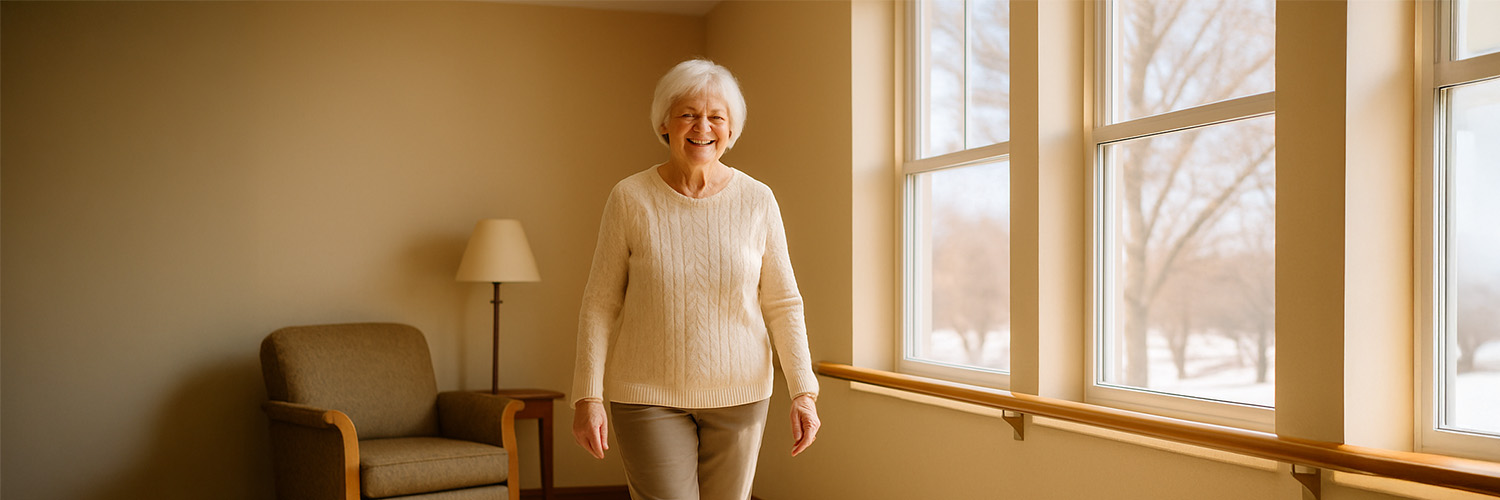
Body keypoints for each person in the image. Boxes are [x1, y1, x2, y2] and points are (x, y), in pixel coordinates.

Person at [569, 58, 821, 500]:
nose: (702, 127)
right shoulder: (630, 198)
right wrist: (587, 396)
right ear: (664, 123)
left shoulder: (758, 200)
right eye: (688, 114)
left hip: (741, 395)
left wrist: (804, 392)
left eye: (716, 117)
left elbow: (783, 303)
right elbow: (600, 303)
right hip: (647, 395)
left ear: (731, 129)